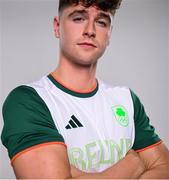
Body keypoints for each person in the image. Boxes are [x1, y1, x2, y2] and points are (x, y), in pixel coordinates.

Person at [1, 0, 169, 179]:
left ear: (109, 34)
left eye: (101, 22)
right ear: (57, 27)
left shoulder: (126, 99)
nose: (90, 30)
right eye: (79, 18)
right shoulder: (29, 101)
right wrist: (132, 166)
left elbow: (165, 169)